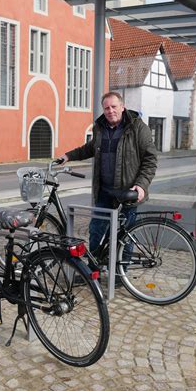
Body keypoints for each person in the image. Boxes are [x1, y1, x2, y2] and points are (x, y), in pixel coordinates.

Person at [59, 91, 158, 280]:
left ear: (122, 107)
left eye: (114, 106)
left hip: (128, 192)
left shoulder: (137, 127)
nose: (110, 111)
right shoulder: (100, 128)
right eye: (107, 108)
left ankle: (120, 274)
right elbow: (88, 148)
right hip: (105, 192)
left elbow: (150, 159)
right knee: (96, 230)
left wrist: (141, 185)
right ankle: (92, 271)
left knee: (125, 236)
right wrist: (67, 156)